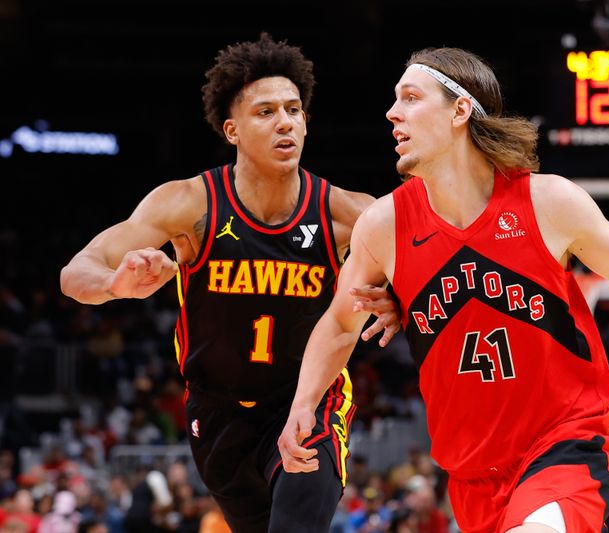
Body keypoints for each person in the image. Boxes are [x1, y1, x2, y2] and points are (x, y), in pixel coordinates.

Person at [278, 46, 609, 533]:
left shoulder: (546, 200)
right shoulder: (382, 225)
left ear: (459, 110)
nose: (392, 112)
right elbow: (341, 323)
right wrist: (302, 406)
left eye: (410, 97)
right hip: (470, 476)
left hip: (565, 446)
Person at [61, 33, 401, 532]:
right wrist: (116, 284)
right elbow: (75, 273)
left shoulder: (349, 213)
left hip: (308, 400)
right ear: (232, 130)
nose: (285, 120)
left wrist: (399, 296)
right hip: (217, 413)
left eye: (293, 109)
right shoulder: (189, 204)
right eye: (266, 112)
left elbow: (428, 272)